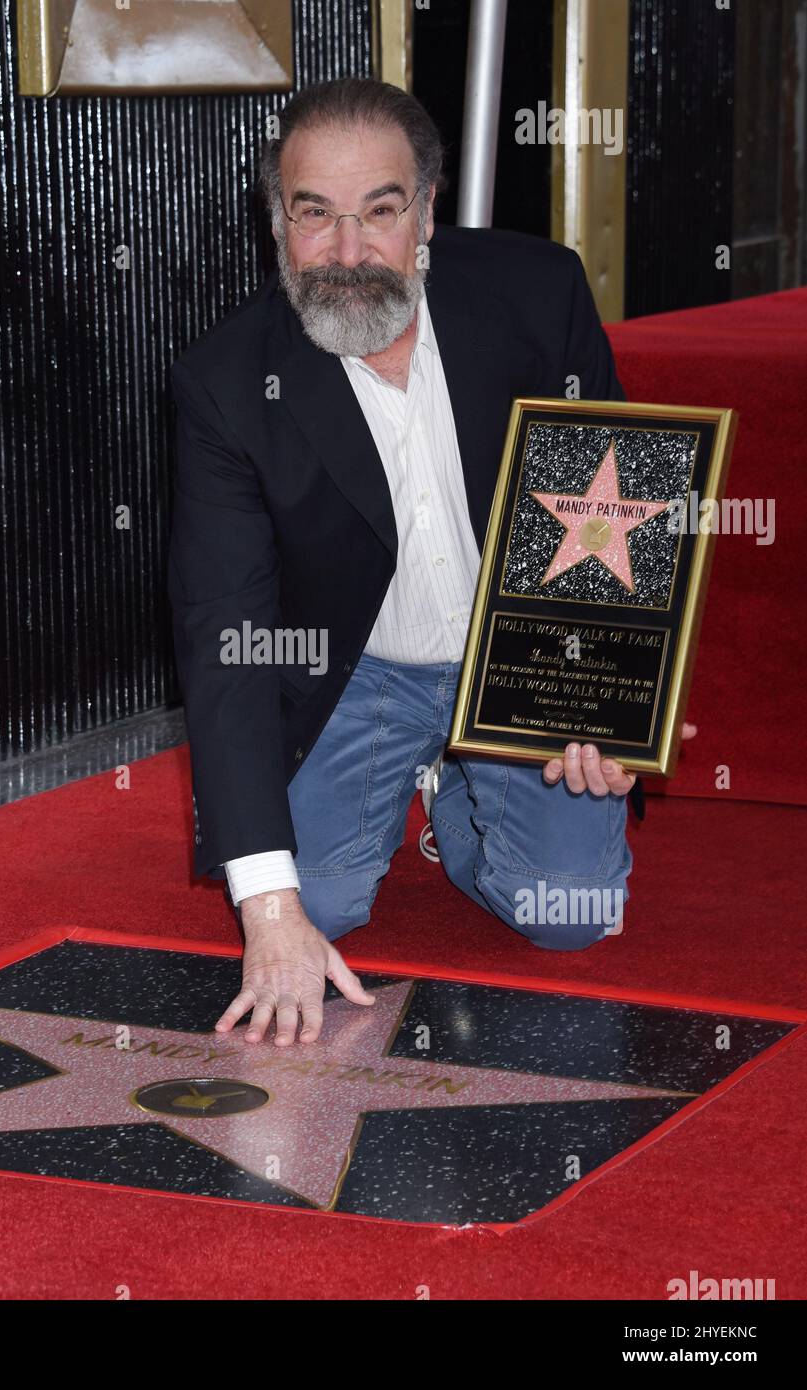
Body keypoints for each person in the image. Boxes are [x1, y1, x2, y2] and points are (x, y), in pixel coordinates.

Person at [168, 77, 694, 1047]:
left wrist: (605, 704)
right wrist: (269, 906)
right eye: (312, 214)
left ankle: (455, 799)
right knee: (314, 908)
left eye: (381, 209)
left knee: (569, 914)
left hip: (518, 653)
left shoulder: (537, 294)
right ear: (276, 222)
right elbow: (223, 639)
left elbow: (608, 512)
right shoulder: (226, 385)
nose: (347, 252)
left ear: (428, 213)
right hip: (355, 669)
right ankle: (407, 779)